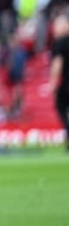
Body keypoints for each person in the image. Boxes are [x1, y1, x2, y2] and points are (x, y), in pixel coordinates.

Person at [45, 12, 69, 150]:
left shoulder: (60, 43)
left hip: (66, 83)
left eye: (57, 25)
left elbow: (57, 64)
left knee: (61, 106)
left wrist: (53, 83)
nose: (55, 29)